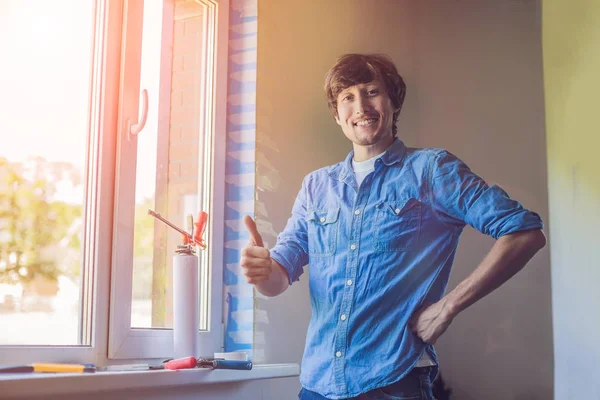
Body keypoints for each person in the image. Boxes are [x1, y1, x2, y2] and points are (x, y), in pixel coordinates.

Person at [240, 53, 546, 400]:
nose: (361, 106)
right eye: (348, 98)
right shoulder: (315, 187)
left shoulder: (432, 169)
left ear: (393, 102)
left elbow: (524, 233)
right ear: (337, 114)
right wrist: (261, 270)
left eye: (372, 91)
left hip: (395, 381)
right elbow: (278, 277)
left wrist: (449, 307)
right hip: (319, 385)